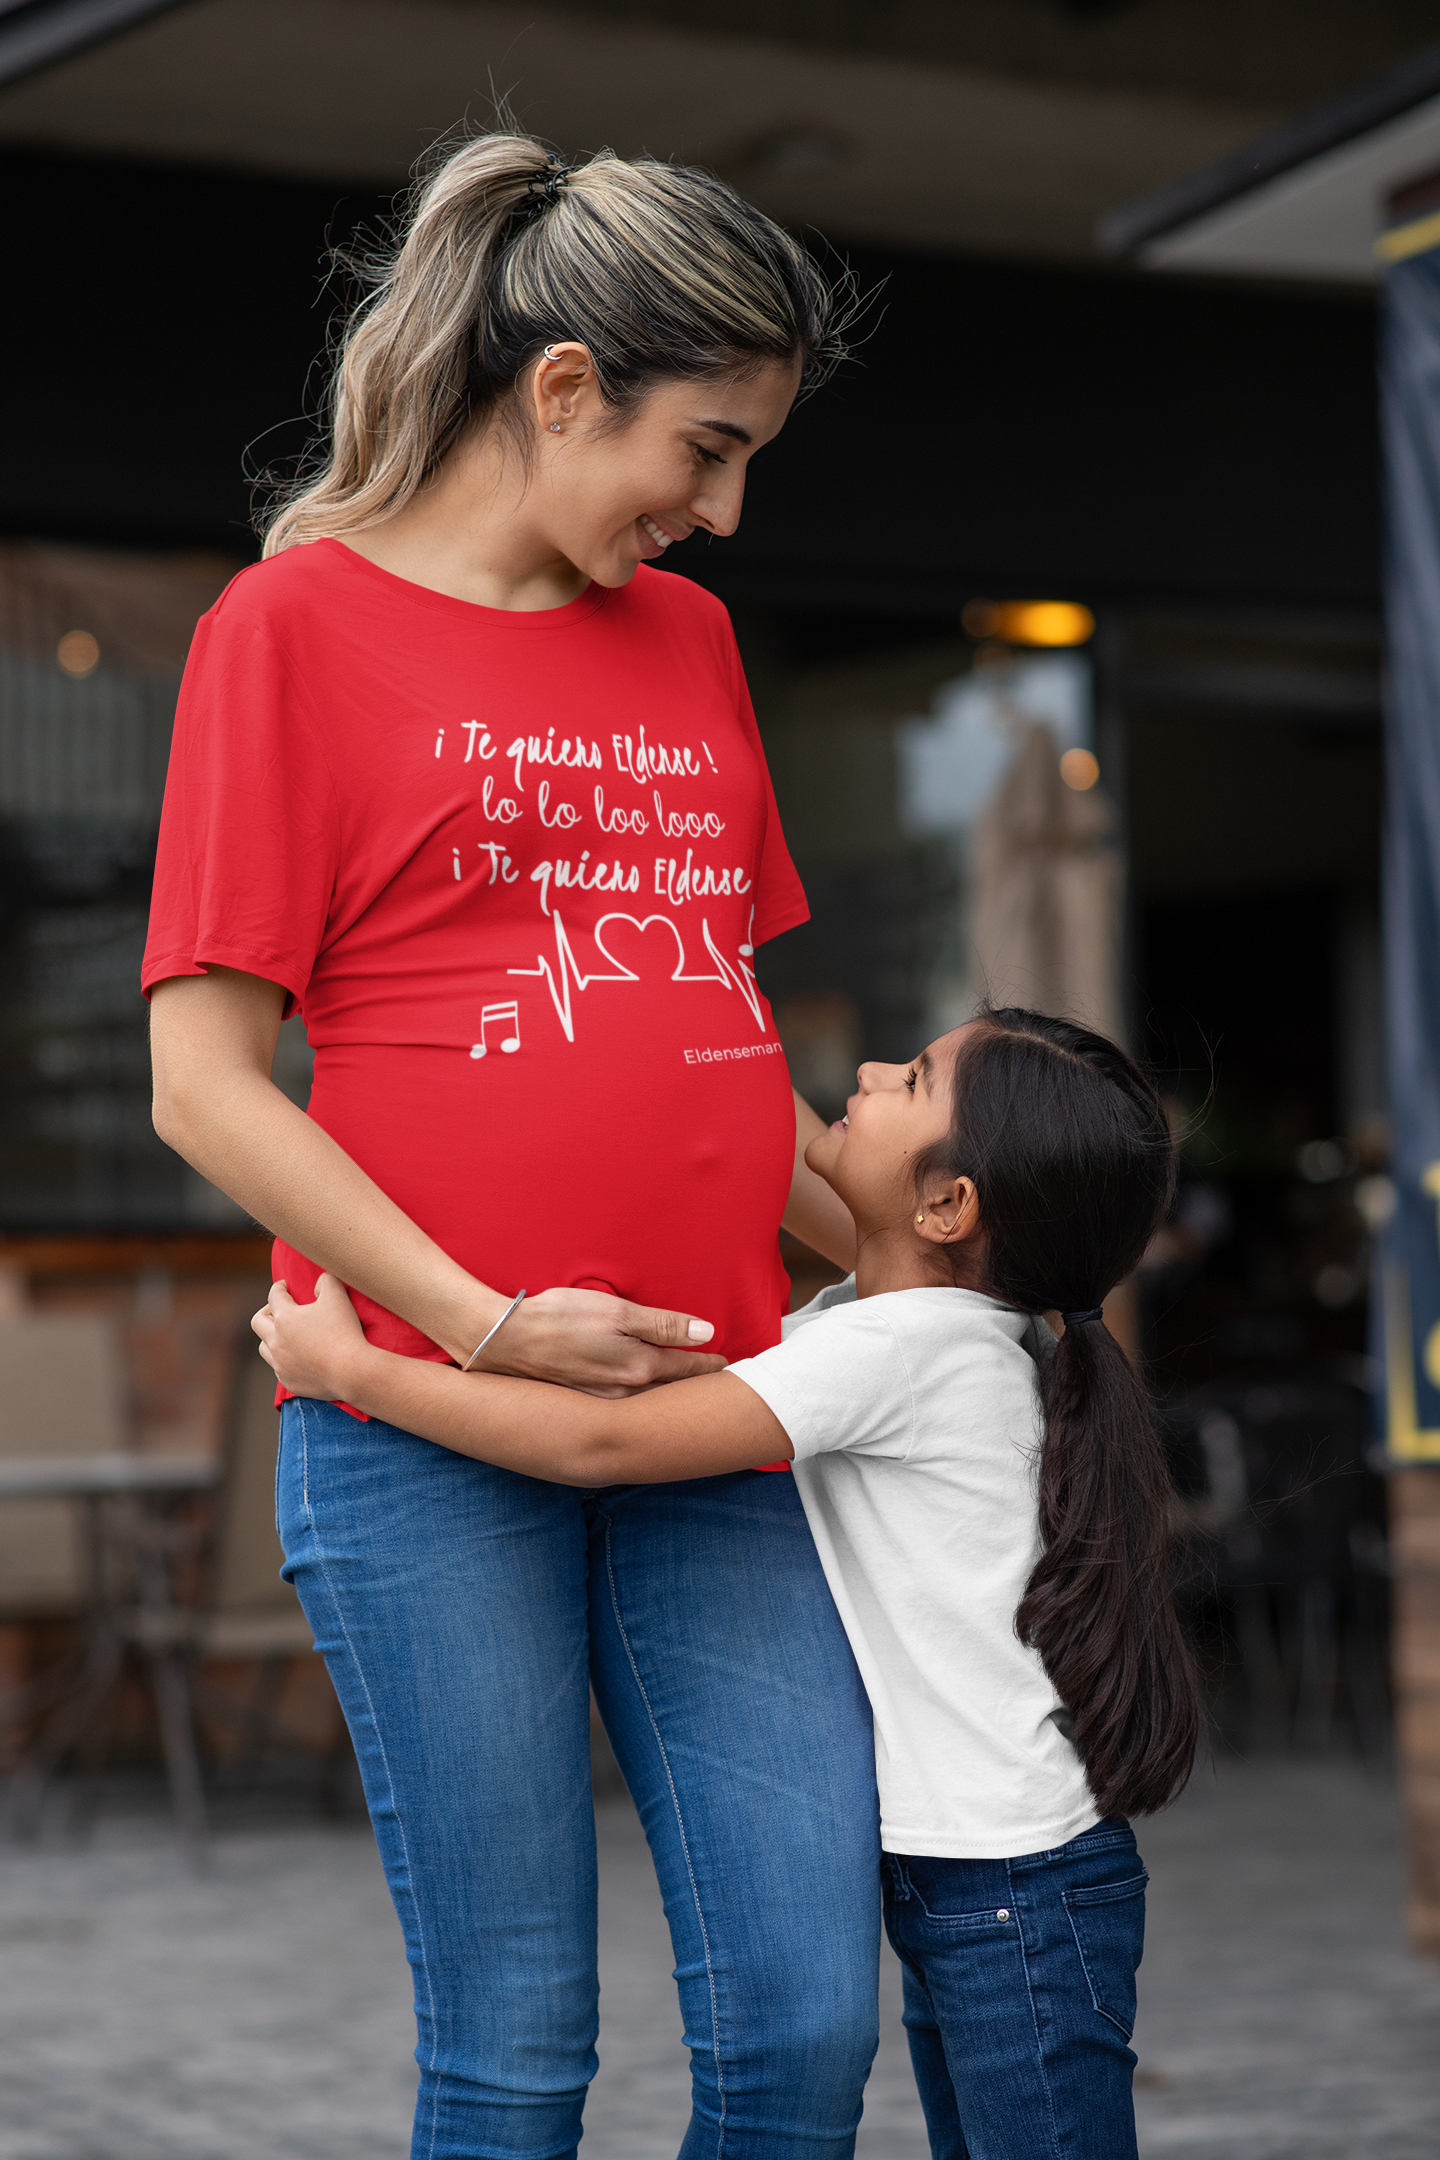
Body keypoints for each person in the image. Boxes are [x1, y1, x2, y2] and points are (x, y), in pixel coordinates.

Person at [144, 131, 882, 2160]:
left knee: (813, 2019)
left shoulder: (693, 649)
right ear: (564, 391)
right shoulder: (285, 633)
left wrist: (942, 1268)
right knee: (513, 2049)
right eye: (705, 449)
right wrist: (484, 1325)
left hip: (719, 1409)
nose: (722, 513)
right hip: (416, 1436)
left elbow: (725, 1035)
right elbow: (201, 1086)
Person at [254, 1006, 1203, 2160]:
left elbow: (602, 1449)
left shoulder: (897, 1354)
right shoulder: (892, 1332)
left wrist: (355, 1370)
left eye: (909, 1078)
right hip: (995, 1879)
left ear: (947, 1207)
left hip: (1012, 1895)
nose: (862, 1071)